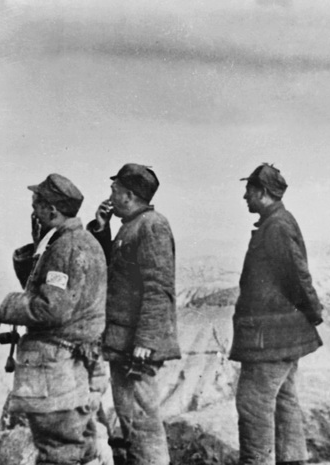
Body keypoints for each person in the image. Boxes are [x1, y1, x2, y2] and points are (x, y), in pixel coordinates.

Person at [0, 173, 107, 465]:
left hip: (55, 372)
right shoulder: (82, 242)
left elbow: (51, 309)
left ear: (52, 210)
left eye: (37, 204)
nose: (33, 210)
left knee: (57, 451)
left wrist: (9, 305)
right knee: (79, 449)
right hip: (73, 370)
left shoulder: (65, 248)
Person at [230, 163, 323, 465]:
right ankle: (292, 460)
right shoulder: (276, 222)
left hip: (269, 337)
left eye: (249, 190)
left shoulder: (277, 226)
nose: (245, 196)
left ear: (262, 192)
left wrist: (313, 311)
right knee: (284, 399)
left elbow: (297, 275)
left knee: (252, 403)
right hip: (279, 333)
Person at [88, 163, 181, 465]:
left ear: (128, 195)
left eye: (114, 190)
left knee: (142, 423)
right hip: (124, 342)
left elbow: (159, 288)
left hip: (137, 346)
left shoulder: (152, 225)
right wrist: (101, 228)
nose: (110, 196)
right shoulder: (131, 226)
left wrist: (146, 341)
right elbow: (111, 271)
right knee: (131, 419)